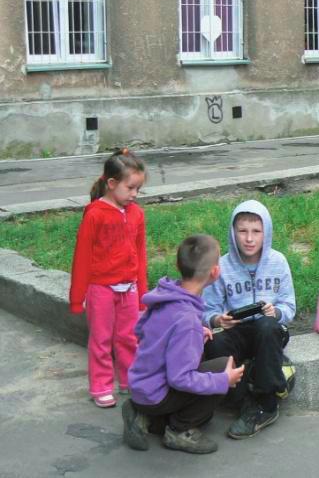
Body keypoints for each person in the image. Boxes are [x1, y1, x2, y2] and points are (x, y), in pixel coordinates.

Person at [123, 234, 246, 454]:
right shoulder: (187, 320)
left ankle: (143, 416)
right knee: (222, 368)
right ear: (215, 272)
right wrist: (222, 380)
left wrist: (194, 332)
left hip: (141, 387)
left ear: (178, 265)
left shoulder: (165, 296)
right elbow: (180, 378)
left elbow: (141, 329)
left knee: (206, 415)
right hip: (157, 395)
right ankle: (179, 431)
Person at [203, 200, 296, 440]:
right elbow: (207, 309)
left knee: (266, 327)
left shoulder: (278, 262)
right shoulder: (221, 266)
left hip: (270, 330)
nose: (249, 239)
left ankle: (267, 403)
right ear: (233, 233)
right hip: (238, 331)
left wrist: (275, 312)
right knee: (214, 343)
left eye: (256, 231)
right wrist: (217, 320)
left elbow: (289, 305)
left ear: (266, 232)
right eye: (242, 231)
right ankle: (243, 401)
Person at [70, 148, 148, 408]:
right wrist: (76, 298)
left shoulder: (137, 213)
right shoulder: (94, 214)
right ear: (112, 184)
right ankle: (101, 386)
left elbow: (141, 254)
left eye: (138, 188)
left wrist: (142, 294)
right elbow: (81, 257)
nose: (135, 194)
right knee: (101, 340)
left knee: (128, 337)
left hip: (130, 289)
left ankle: (129, 380)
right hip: (100, 289)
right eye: (131, 188)